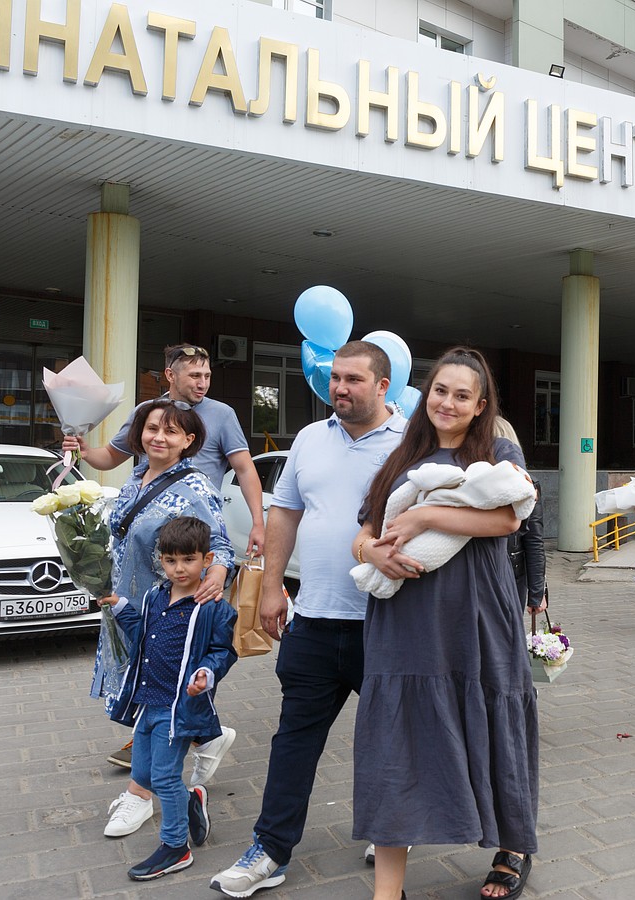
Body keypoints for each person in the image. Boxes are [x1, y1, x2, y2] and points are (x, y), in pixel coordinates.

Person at [210, 341, 406, 898]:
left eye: (353, 379)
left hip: (388, 624)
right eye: (334, 378)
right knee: (293, 740)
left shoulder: (411, 440)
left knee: (392, 738)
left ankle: (389, 834)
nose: (339, 388)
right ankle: (269, 851)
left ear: (383, 385)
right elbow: (287, 512)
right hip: (314, 619)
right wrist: (272, 588)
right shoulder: (310, 439)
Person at [349, 347, 538, 900]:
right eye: (440, 391)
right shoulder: (399, 458)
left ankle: (512, 847)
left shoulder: (497, 451)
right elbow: (362, 534)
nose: (448, 403)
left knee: (493, 719)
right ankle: (388, 891)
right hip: (404, 621)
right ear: (424, 394)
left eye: (462, 395)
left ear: (481, 406)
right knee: (393, 741)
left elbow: (507, 517)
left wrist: (427, 514)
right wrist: (372, 555)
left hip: (476, 614)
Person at [67, 343, 264, 773]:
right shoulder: (146, 419)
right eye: (194, 375)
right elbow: (108, 458)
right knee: (146, 656)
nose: (202, 383)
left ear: (189, 439)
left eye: (207, 376)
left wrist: (255, 527)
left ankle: (155, 764)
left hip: (187, 549)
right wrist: (79, 448)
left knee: (170, 656)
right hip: (141, 557)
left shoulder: (221, 416)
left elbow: (245, 470)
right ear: (169, 374)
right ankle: (185, 734)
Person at [99, 400, 234, 840]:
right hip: (128, 607)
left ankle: (141, 797)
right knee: (144, 692)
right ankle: (207, 734)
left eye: (171, 431)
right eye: (152, 427)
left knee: (153, 700)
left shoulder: (194, 484)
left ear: (188, 441)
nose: (159, 436)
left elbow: (219, 543)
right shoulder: (136, 477)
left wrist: (216, 571)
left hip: (168, 611)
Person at [102, 517, 238, 880]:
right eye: (171, 560)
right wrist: (119, 606)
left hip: (178, 710)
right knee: (144, 774)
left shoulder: (212, 606)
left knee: (163, 778)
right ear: (160, 561)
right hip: (147, 703)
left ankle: (176, 847)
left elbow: (223, 651)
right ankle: (191, 799)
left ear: (206, 559)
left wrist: (206, 674)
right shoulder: (155, 596)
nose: (180, 569)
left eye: (188, 560)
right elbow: (141, 634)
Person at [494, 418, 547, 613]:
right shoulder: (471, 482)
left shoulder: (527, 485)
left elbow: (533, 541)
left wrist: (537, 593)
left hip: (512, 576)